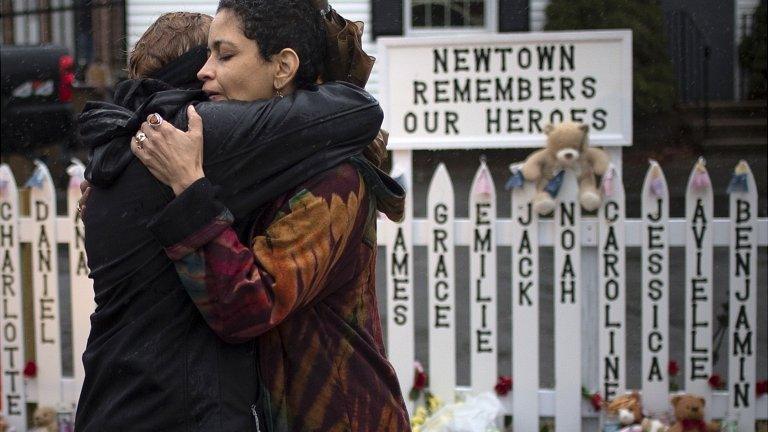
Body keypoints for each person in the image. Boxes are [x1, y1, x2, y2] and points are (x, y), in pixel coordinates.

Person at [76, 10, 398, 432]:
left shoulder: (334, 180)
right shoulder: (247, 166)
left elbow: (248, 308)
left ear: (282, 67)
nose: (207, 73)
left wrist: (188, 189)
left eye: (224, 56)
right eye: (206, 57)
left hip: (333, 413)